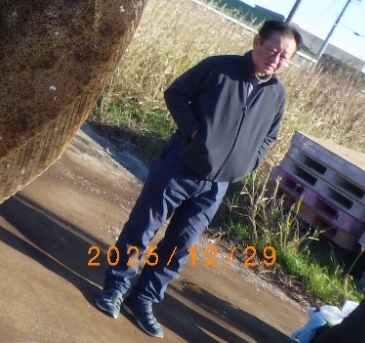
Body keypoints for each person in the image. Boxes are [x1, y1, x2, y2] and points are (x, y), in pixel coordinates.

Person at [93, 19, 302, 339]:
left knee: (180, 246)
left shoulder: (277, 95)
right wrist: (193, 133)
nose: (276, 59)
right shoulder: (219, 68)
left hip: (217, 185)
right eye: (273, 50)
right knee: (142, 228)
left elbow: (269, 137)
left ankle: (143, 298)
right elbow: (176, 93)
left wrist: (248, 162)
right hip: (179, 166)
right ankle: (115, 288)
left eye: (285, 56)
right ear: (257, 41)